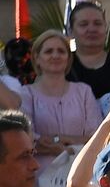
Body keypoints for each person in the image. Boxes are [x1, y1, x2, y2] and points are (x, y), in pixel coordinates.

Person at [19, 30, 102, 172]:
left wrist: (59, 139)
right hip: (40, 175)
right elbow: (26, 137)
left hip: (81, 171)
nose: (55, 55)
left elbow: (97, 135)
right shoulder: (27, 94)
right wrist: (70, 142)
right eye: (49, 51)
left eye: (61, 51)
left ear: (68, 58)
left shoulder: (83, 91)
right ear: (37, 58)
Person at [67, 1, 110, 99]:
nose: (91, 29)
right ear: (71, 31)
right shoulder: (61, 65)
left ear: (105, 28)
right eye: (83, 24)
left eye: (97, 23)